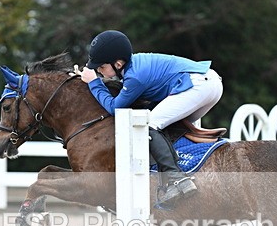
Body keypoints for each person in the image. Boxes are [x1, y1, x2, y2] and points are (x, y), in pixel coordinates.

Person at [79, 30, 223, 205]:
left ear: (118, 63)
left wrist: (94, 82)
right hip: (208, 83)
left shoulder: (135, 77)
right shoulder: (132, 66)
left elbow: (114, 108)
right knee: (164, 124)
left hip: (199, 85)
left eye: (101, 67)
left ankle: (177, 179)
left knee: (148, 125)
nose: (99, 71)